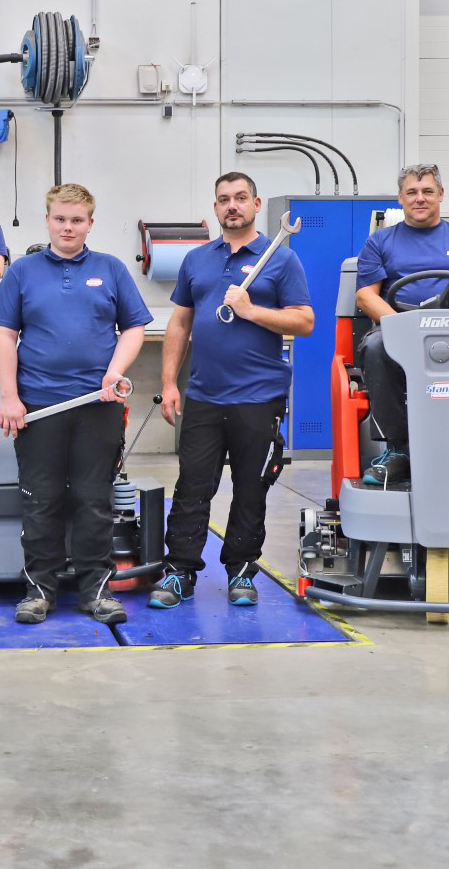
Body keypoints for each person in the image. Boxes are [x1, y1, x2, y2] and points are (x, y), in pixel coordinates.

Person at [0, 183, 151, 626]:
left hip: (98, 407)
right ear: (48, 220)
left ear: (90, 224)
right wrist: (9, 396)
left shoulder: (111, 269)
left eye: (77, 220)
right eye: (60, 219)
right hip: (38, 408)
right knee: (41, 502)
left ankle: (96, 592)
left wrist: (115, 371)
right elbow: (5, 335)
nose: (68, 227)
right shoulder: (22, 272)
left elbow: (134, 328)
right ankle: (39, 592)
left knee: (94, 501)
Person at [149, 172, 313, 610]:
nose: (232, 206)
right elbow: (180, 323)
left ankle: (241, 571)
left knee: (250, 488)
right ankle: (181, 572)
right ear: (216, 207)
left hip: (259, 397)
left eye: (241, 198)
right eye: (224, 200)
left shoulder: (281, 259)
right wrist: (168, 383)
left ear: (257, 204)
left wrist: (251, 311)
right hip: (204, 395)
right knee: (191, 487)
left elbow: (304, 321)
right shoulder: (197, 260)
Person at [355, 163, 449, 488]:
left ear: (441, 194)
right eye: (412, 192)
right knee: (377, 348)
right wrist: (400, 329)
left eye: (427, 191)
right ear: (401, 197)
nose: (419, 198)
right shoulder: (380, 242)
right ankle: (397, 451)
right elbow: (367, 296)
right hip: (397, 330)